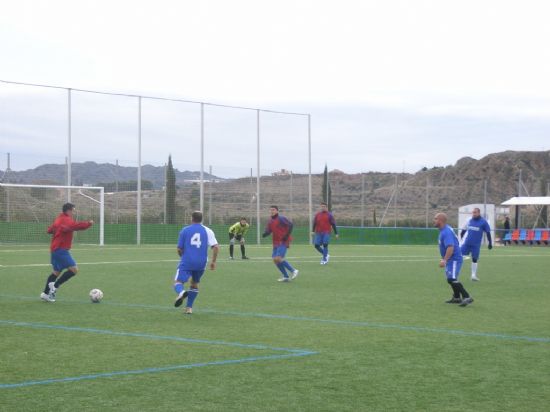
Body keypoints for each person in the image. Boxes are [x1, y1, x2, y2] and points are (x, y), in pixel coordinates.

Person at [40, 203, 94, 302]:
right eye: (73, 210)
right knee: (74, 270)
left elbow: (49, 230)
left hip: (54, 249)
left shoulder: (59, 219)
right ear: (68, 210)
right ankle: (55, 287)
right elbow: (75, 226)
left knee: (56, 272)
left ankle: (45, 294)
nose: (73, 212)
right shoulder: (66, 219)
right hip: (61, 249)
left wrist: (55, 230)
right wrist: (88, 223)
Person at [173, 211, 219, 315]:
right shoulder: (208, 231)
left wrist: (183, 257)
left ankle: (181, 292)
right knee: (194, 284)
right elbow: (216, 247)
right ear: (201, 219)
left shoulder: (185, 230)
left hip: (187, 261)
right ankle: (189, 308)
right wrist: (213, 262)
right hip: (201, 263)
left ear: (191, 218)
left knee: (178, 282)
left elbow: (179, 249)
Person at [434, 212, 473, 307]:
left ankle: (467, 296)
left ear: (440, 220)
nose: (434, 221)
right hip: (451, 259)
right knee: (450, 279)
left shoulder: (446, 232)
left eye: (435, 219)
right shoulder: (444, 230)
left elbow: (450, 247)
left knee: (452, 278)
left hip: (454, 258)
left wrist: (444, 260)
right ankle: (456, 297)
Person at [262, 205, 299, 282]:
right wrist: (265, 234)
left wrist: (286, 235)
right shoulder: (270, 221)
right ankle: (286, 276)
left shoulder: (281, 218)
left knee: (278, 258)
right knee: (275, 260)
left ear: (277, 211)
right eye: (271, 210)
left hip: (283, 241)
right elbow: (269, 231)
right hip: (275, 242)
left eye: (273, 210)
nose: (272, 211)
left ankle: (293, 271)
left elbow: (291, 225)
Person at [460, 207, 492, 281]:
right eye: (473, 212)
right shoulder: (470, 220)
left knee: (474, 259)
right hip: (467, 243)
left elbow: (488, 232)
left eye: (475, 212)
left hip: (476, 245)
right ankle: (454, 273)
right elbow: (464, 229)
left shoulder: (483, 222)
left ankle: (473, 275)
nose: (473, 214)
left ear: (478, 213)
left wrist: (490, 242)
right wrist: (461, 236)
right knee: (458, 256)